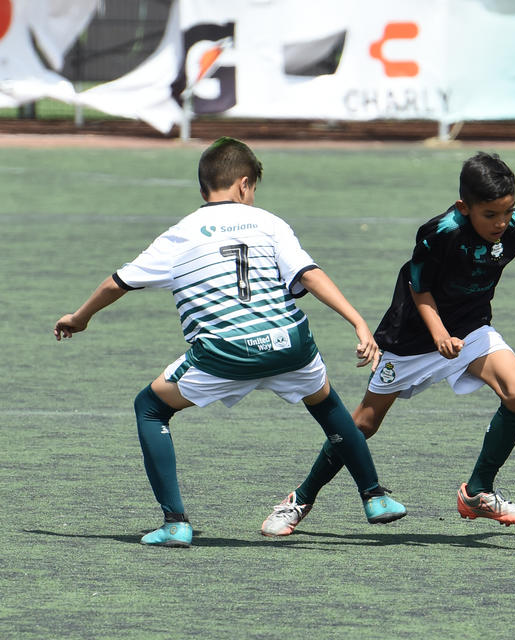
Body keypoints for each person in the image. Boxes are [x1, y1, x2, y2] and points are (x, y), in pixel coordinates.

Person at [53, 136, 406, 548]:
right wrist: (358, 323)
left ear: (204, 185)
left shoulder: (181, 234)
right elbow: (309, 274)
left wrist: (79, 318)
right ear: (243, 184)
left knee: (149, 408)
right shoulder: (270, 223)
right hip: (289, 343)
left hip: (226, 351)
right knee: (327, 405)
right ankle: (374, 497)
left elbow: (118, 282)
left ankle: (175, 523)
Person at [265, 151, 515, 529]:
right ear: (464, 207)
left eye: (507, 211)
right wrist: (439, 334)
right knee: (363, 423)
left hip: (471, 329)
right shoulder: (441, 232)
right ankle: (300, 499)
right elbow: (418, 286)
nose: (501, 223)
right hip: (412, 337)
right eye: (490, 214)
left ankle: (477, 492)